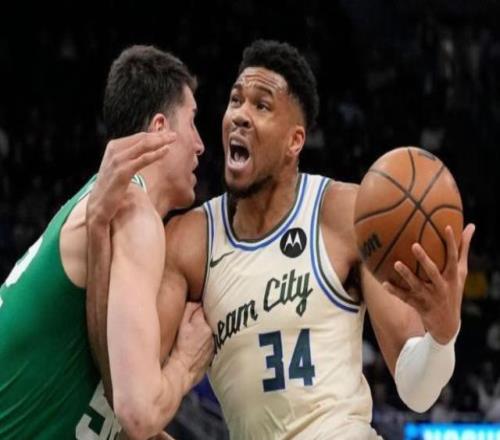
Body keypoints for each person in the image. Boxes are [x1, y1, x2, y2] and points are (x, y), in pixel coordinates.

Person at [89, 40, 475, 439]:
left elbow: (416, 390)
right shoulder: (189, 242)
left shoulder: (346, 214)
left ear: (295, 141)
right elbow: (131, 396)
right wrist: (99, 234)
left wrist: (442, 335)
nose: (240, 115)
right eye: (235, 100)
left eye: (262, 105)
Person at [0, 45, 214, 440]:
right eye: (193, 122)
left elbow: (114, 395)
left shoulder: (102, 205)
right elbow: (137, 412)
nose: (200, 144)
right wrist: (186, 364)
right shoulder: (133, 213)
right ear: (161, 129)